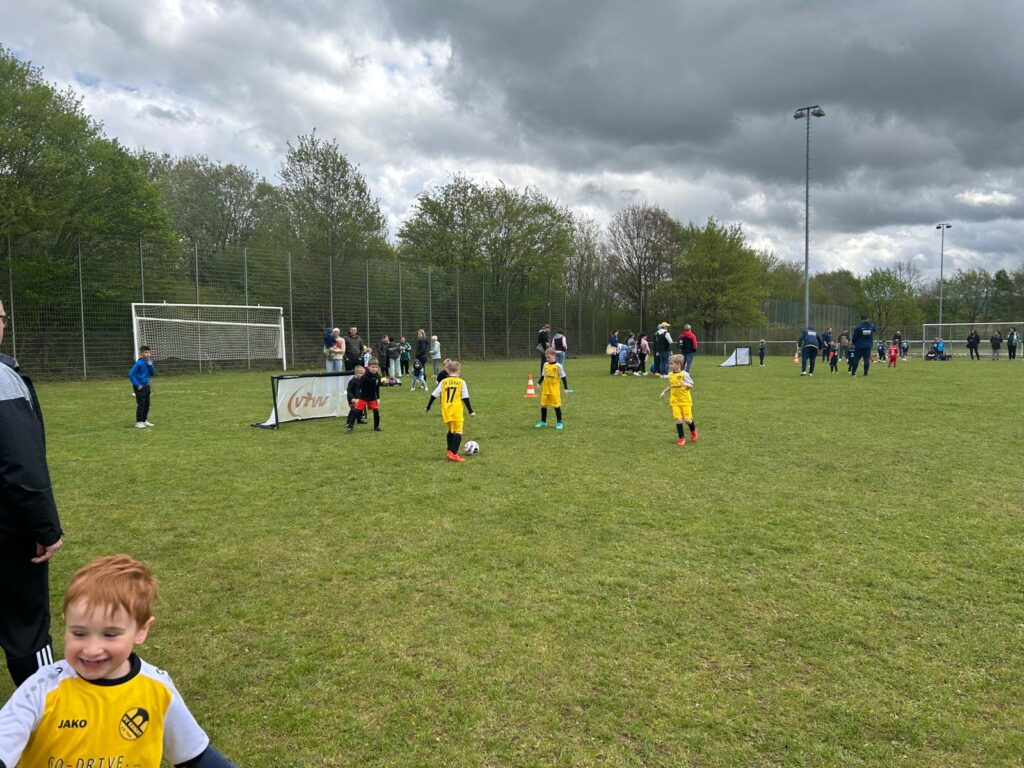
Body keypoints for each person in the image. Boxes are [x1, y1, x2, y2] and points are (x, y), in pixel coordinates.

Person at [0, 554, 236, 767]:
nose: (91, 649)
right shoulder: (42, 688)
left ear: (142, 630)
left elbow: (196, 756)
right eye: (79, 633)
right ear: (66, 622)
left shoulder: (157, 690)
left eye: (110, 634)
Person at [0, 299, 64, 687]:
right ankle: (47, 709)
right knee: (27, 626)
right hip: (9, 533)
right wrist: (45, 528)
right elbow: (20, 464)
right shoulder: (4, 380)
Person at [425, 359, 476, 462]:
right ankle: (453, 453)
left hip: (446, 411)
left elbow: (434, 394)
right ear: (458, 371)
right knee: (458, 431)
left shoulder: (444, 382)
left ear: (448, 370)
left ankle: (449, 451)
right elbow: (465, 397)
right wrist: (471, 411)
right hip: (456, 410)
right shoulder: (461, 382)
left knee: (450, 431)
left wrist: (428, 406)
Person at [659, 354, 697, 446]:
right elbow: (671, 385)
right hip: (674, 401)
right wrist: (664, 392)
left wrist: (686, 384)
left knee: (687, 420)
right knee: (678, 419)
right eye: (669, 363)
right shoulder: (670, 375)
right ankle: (681, 438)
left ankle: (693, 432)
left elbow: (691, 385)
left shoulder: (684, 374)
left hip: (685, 401)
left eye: (671, 363)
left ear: (678, 364)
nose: (669, 365)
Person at [536, 347, 570, 429]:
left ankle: (559, 422)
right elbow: (543, 375)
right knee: (543, 405)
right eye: (546, 357)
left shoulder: (558, 366)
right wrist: (538, 383)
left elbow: (563, 377)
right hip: (545, 389)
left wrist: (565, 388)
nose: (547, 359)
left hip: (554, 390)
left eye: (549, 357)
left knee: (556, 405)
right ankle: (543, 422)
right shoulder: (545, 365)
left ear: (554, 355)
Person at [346, 359, 382, 432]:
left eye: (376, 367)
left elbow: (377, 388)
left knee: (376, 411)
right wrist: (357, 398)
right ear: (368, 367)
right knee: (356, 411)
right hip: (363, 397)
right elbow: (359, 388)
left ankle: (376, 427)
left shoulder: (378, 376)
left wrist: (378, 398)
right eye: (372, 367)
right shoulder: (365, 377)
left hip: (372, 397)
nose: (374, 369)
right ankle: (350, 426)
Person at [129, 345, 157, 428]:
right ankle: (138, 422)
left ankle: (144, 420)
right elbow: (131, 374)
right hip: (140, 387)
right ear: (141, 354)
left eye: (149, 352)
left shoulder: (149, 361)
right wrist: (137, 385)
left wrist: (150, 366)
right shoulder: (139, 363)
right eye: (146, 352)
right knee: (141, 404)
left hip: (147, 385)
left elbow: (152, 373)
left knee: (147, 404)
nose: (148, 354)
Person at [345, 365, 365, 429]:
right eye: (361, 373)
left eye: (363, 373)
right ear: (356, 373)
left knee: (360, 409)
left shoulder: (362, 380)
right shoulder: (352, 381)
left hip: (359, 398)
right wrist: (352, 398)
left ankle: (359, 420)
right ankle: (348, 423)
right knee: (353, 410)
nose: (362, 375)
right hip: (352, 399)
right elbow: (349, 391)